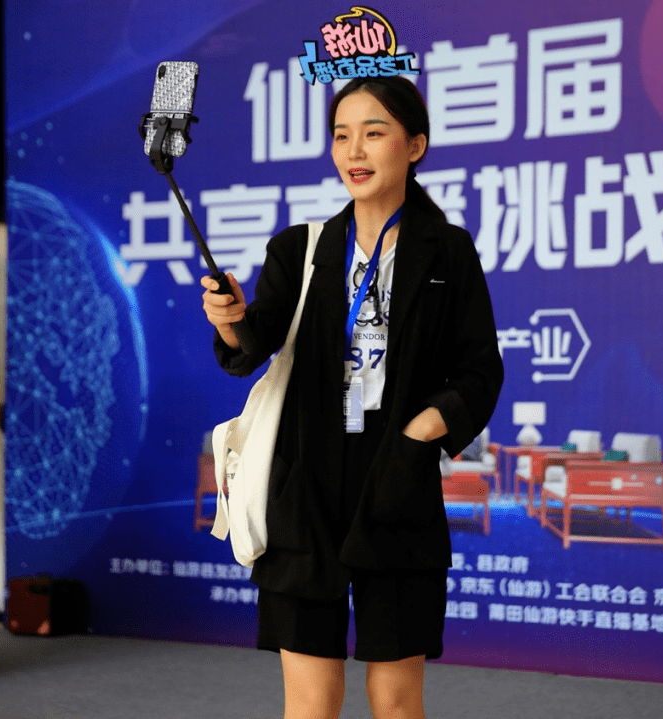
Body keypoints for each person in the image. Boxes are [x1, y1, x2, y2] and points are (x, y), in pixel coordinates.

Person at [200, 76, 503, 719]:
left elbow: (479, 370)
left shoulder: (447, 251)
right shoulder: (300, 249)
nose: (353, 151)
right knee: (311, 702)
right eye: (342, 136)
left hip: (396, 482)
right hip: (304, 485)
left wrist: (420, 434)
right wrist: (229, 319)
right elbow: (253, 345)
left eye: (373, 133)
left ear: (414, 146)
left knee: (396, 701)